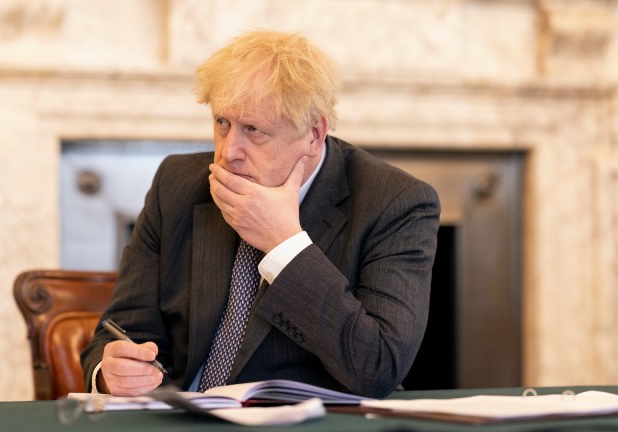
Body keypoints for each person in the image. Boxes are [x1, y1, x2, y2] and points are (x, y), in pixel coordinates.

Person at [81, 30, 440, 399]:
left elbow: (378, 368)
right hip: (181, 418)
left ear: (314, 134)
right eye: (222, 123)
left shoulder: (397, 203)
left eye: (253, 129)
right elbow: (120, 331)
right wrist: (111, 373)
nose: (228, 151)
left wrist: (285, 244)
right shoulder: (177, 185)